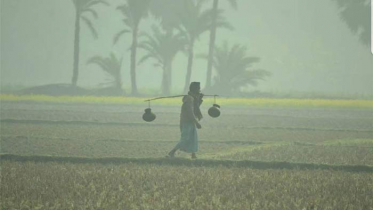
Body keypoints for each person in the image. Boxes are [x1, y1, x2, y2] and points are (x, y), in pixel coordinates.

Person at [167, 82, 203, 159]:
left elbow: (195, 107)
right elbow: (190, 112)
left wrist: (199, 99)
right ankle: (172, 152)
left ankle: (193, 154)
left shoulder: (193, 98)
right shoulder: (189, 99)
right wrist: (196, 122)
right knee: (185, 138)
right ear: (195, 89)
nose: (199, 90)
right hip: (187, 121)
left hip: (191, 121)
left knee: (193, 137)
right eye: (198, 88)